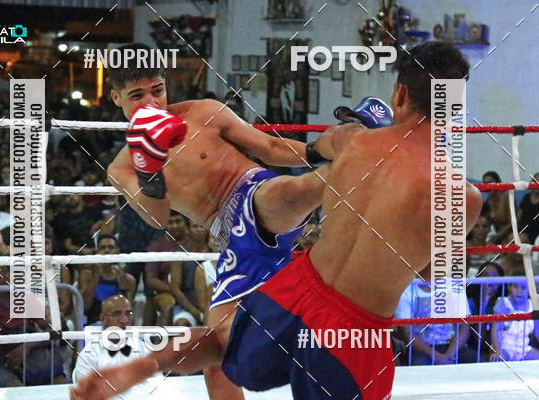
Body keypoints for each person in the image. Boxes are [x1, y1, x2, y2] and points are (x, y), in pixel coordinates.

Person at [72, 42, 483, 400]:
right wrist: (151, 171)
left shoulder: (350, 145)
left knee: (224, 341)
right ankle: (140, 368)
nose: (151, 103)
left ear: (400, 93)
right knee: (219, 358)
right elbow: (433, 275)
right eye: (137, 95)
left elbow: (276, 148)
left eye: (157, 91)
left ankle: (141, 367)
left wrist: (332, 148)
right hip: (341, 319)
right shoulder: (461, 197)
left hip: (295, 276)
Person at [73, 295, 161, 397]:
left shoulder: (144, 350)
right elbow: (86, 393)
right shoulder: (88, 355)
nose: (124, 320)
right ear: (103, 319)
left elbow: (156, 386)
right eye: (117, 314)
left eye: (129, 313)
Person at [395, 266, 476, 365]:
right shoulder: (406, 290)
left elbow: (464, 327)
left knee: (479, 363)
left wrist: (450, 354)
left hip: (452, 345)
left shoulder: (453, 287)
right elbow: (406, 332)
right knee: (420, 369)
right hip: (421, 348)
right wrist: (436, 356)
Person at [78, 234, 136, 325]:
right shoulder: (87, 275)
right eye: (102, 248)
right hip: (92, 324)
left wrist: (122, 285)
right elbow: (84, 307)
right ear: (97, 251)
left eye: (111, 247)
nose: (107, 251)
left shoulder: (129, 279)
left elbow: (128, 312)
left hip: (119, 324)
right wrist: (95, 277)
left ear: (117, 251)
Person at [490, 269, 539, 361]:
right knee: (499, 361)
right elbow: (495, 330)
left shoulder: (533, 305)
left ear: (530, 289)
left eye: (523, 288)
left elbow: (537, 330)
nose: (519, 291)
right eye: (515, 287)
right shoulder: (504, 303)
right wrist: (497, 351)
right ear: (510, 287)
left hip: (524, 349)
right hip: (504, 348)